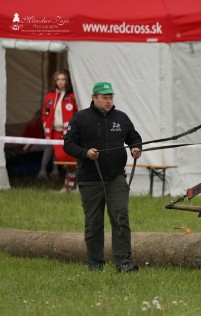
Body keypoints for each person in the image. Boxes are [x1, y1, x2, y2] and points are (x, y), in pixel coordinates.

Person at [64, 82, 142, 273]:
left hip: (116, 178)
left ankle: (123, 262)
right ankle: (95, 264)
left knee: (120, 216)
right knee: (94, 222)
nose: (108, 101)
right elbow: (68, 144)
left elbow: (134, 137)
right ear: (94, 97)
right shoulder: (80, 118)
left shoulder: (121, 118)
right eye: (104, 97)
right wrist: (85, 153)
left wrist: (136, 148)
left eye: (110, 97)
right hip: (89, 179)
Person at [38, 69, 78, 190]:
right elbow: (45, 113)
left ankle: (69, 184)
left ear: (67, 81)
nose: (60, 82)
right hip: (55, 131)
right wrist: (47, 127)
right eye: (58, 79)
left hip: (69, 132)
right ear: (54, 81)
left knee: (70, 158)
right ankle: (49, 173)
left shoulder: (72, 96)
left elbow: (77, 114)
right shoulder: (49, 96)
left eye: (63, 79)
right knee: (61, 156)